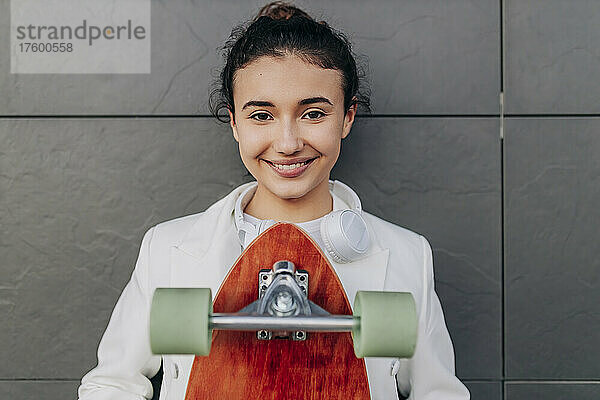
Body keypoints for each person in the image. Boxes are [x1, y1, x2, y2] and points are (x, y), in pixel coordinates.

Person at [78, 2, 470, 399]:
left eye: (313, 113)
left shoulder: (407, 256)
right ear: (234, 122)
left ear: (347, 118)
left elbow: (439, 393)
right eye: (262, 116)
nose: (287, 144)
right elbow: (111, 385)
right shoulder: (166, 250)